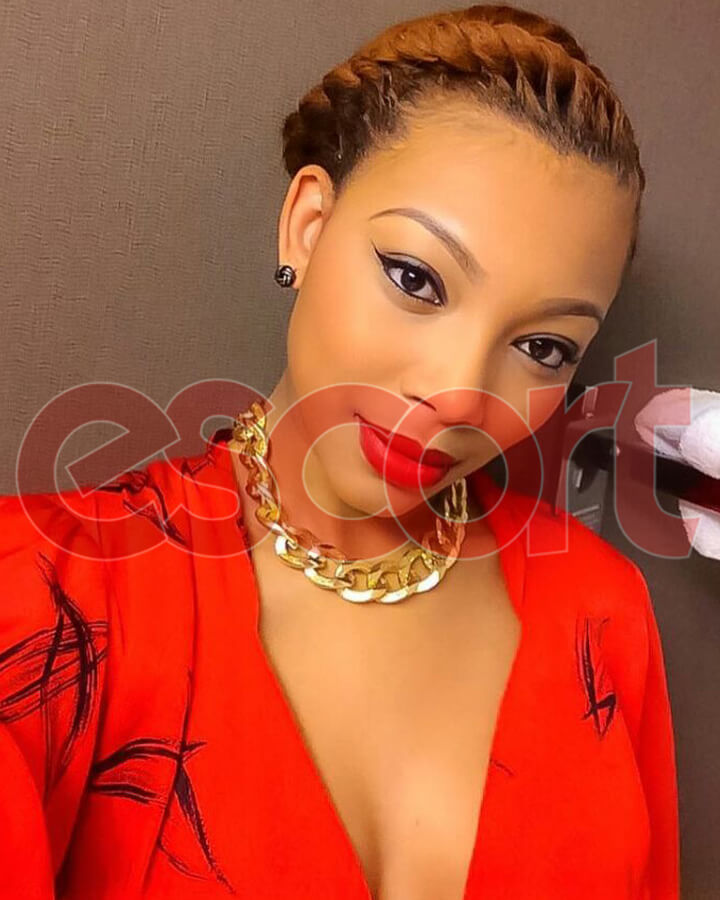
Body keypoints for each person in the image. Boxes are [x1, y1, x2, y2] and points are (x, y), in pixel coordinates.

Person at [0, 4, 679, 899]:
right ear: (308, 225)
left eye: (544, 347)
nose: (457, 394)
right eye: (416, 279)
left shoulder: (603, 612)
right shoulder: (43, 601)